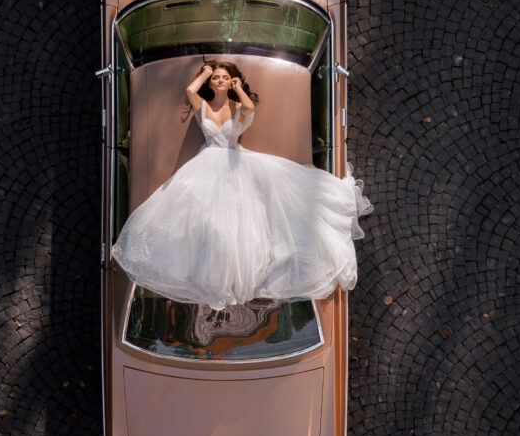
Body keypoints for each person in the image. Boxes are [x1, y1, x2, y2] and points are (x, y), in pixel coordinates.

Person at [111, 60, 372, 310]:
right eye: (217, 78)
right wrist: (204, 72)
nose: (220, 80)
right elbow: (190, 90)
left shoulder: (237, 107)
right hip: (207, 162)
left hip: (234, 161)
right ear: (211, 83)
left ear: (231, 81)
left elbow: (249, 108)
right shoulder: (203, 105)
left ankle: (232, 272)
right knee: (202, 218)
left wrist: (237, 88)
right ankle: (215, 272)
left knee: (243, 218)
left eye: (224, 77)